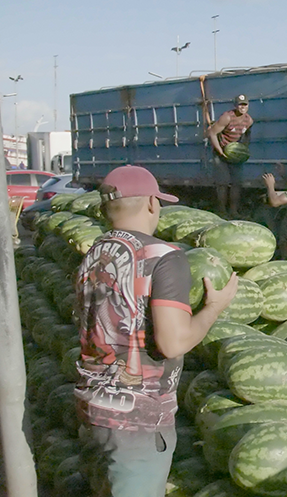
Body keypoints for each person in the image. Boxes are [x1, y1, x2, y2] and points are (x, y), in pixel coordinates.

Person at [75, 165, 238, 497]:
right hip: (137, 419)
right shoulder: (164, 257)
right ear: (152, 203)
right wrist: (213, 308)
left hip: (93, 405)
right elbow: (172, 341)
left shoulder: (95, 254)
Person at [205, 94, 254, 217]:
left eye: (245, 104)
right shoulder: (227, 117)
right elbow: (212, 133)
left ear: (248, 106)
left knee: (237, 184)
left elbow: (247, 135)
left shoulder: (249, 120)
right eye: (240, 104)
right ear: (235, 105)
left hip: (235, 155)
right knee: (223, 183)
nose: (242, 107)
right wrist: (220, 151)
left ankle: (233, 211)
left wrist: (244, 148)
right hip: (221, 153)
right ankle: (222, 211)